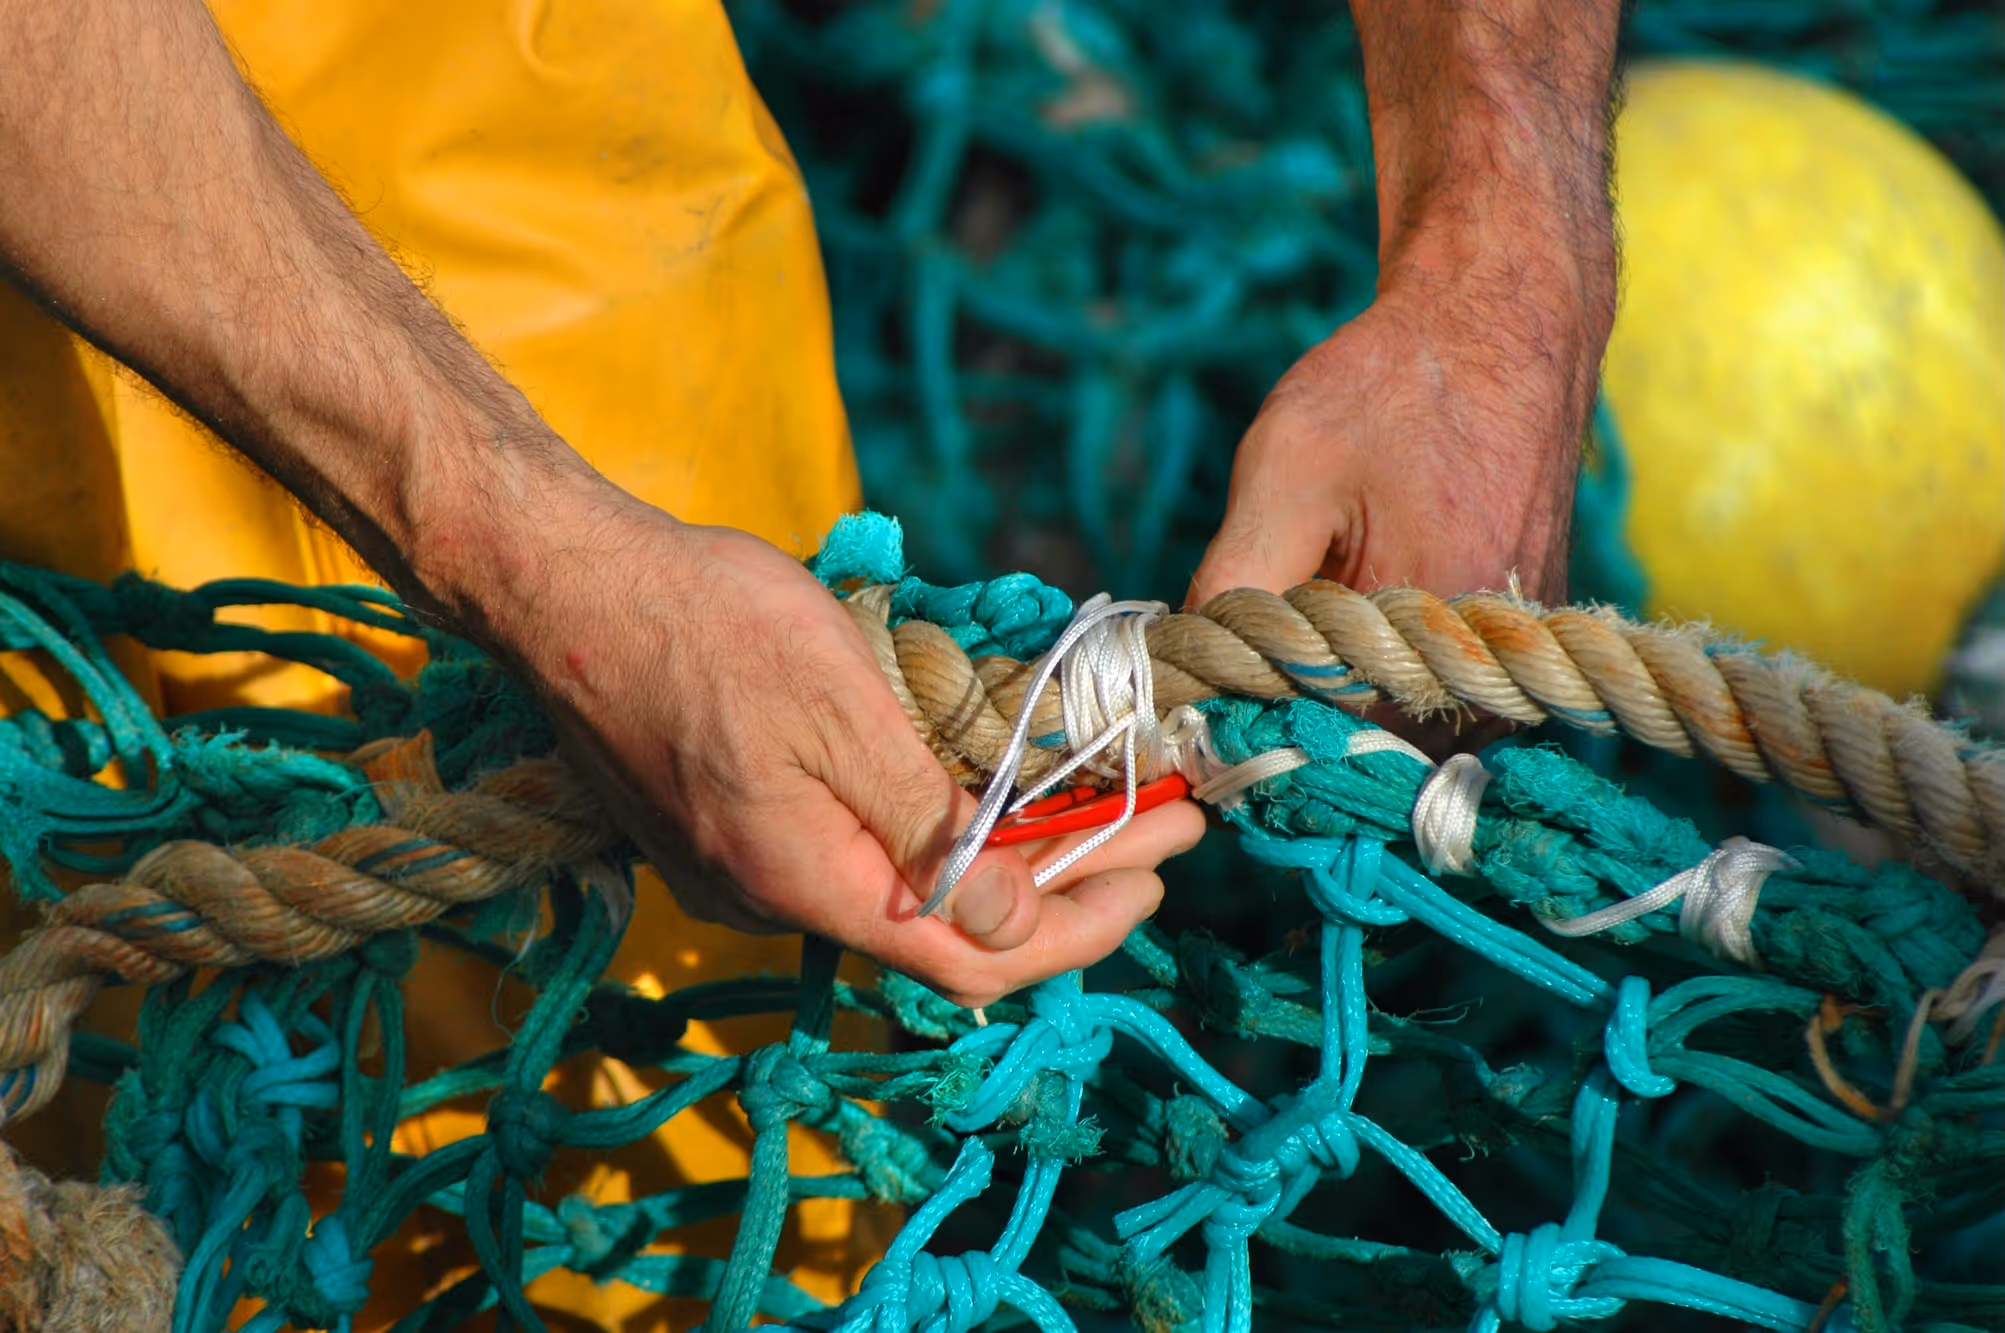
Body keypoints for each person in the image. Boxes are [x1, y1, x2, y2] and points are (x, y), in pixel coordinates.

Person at [0, 0, 1617, 1320]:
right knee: (206, 1132)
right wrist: (538, 564)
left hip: (539, 106)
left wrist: (1503, 270)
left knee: (730, 1141)